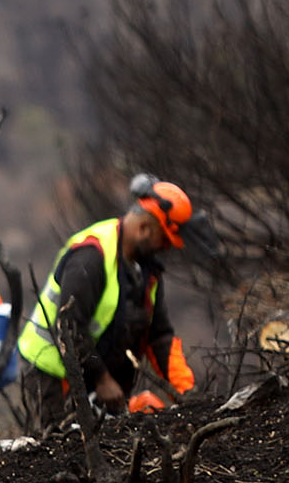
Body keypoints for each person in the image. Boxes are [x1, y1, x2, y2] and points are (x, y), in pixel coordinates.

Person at [16, 177, 197, 417]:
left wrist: (186, 392)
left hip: (93, 371)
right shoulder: (91, 257)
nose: (165, 248)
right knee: (61, 444)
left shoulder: (146, 271)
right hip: (52, 371)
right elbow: (69, 327)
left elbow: (159, 336)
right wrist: (102, 379)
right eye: (163, 240)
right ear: (144, 228)